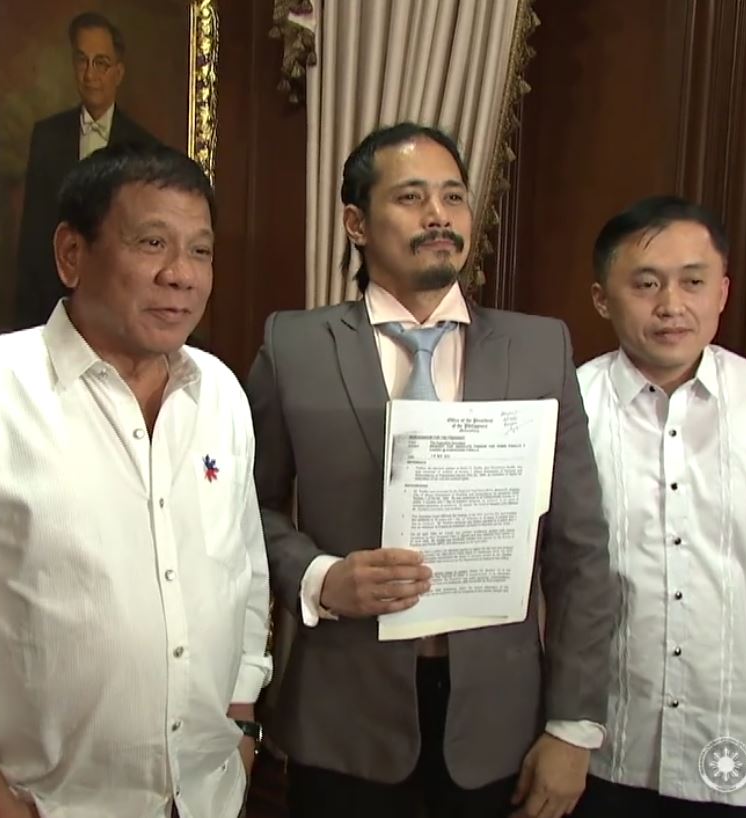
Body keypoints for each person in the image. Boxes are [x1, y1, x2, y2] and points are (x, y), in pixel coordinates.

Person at [0, 142, 271, 818]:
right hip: (43, 805)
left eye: (200, 251)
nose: (181, 275)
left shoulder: (222, 393)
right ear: (71, 254)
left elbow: (246, 574)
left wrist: (240, 732)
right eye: (153, 243)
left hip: (209, 798)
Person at [248, 122, 616, 818]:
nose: (439, 216)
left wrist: (573, 726)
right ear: (356, 222)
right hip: (342, 717)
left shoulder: (539, 349)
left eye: (453, 197)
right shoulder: (293, 345)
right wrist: (323, 577)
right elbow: (246, 509)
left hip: (499, 722)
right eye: (412, 198)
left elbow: (580, 549)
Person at [572, 195, 746, 816]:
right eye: (646, 284)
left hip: (730, 746)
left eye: (693, 282)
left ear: (722, 292)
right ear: (603, 299)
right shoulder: (569, 409)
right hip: (597, 746)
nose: (672, 306)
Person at [15, 11, 159, 329]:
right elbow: (33, 230)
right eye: (82, 61)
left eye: (101, 63)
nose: (90, 74)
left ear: (118, 73)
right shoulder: (47, 136)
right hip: (50, 304)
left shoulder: (143, 146)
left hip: (118, 305)